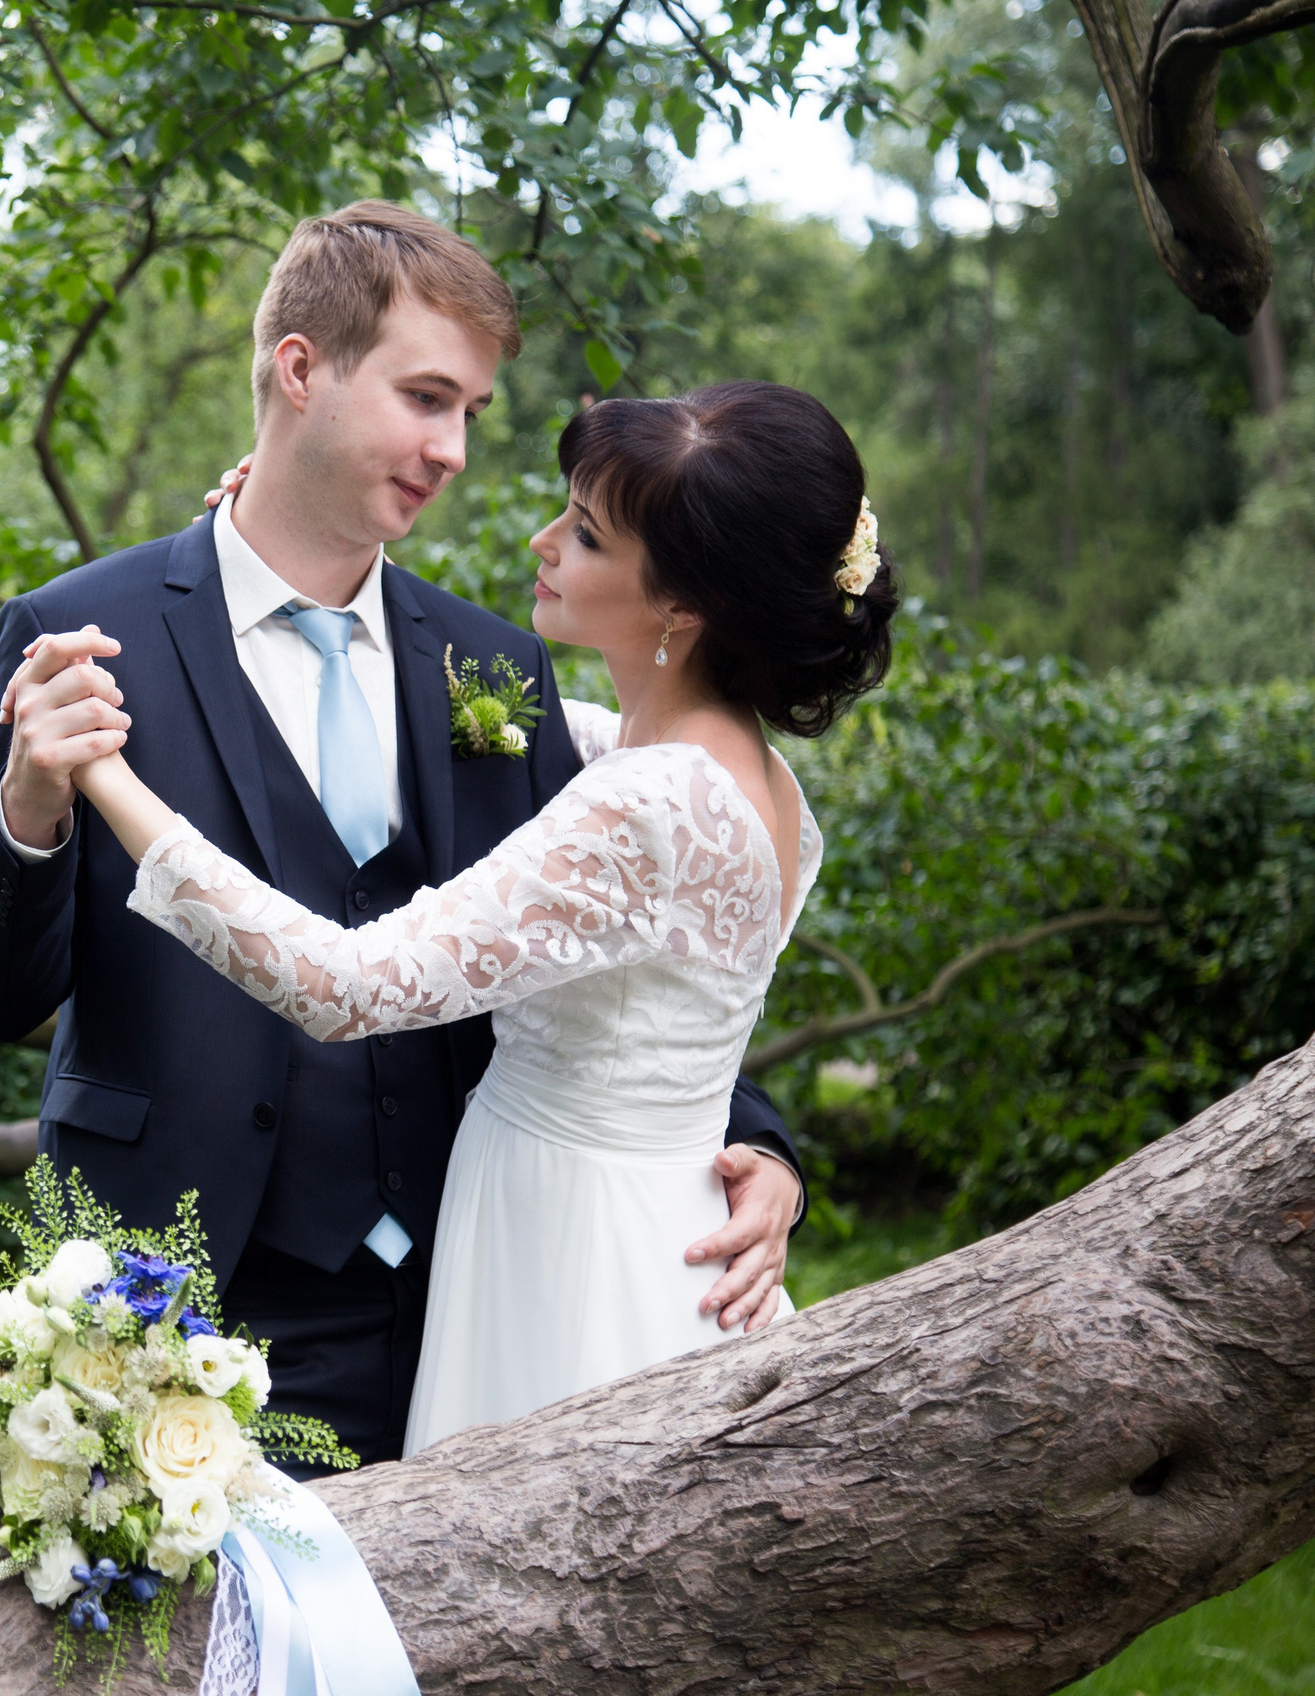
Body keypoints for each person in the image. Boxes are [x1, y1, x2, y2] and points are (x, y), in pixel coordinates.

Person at [0, 200, 812, 1465]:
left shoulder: (496, 665)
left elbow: (634, 942)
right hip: (177, 1291)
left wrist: (757, 1140)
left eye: (467, 413)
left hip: (463, 1299)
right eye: (424, 398)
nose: (452, 448)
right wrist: (31, 804)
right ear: (302, 371)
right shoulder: (78, 633)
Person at [44, 379, 897, 1449]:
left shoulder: (648, 800)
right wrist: (278, 549)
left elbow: (345, 986)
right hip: (657, 1211)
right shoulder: (741, 776)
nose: (545, 542)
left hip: (574, 1253)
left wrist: (114, 783)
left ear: (683, 607)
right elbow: (485, 716)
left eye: (584, 535)